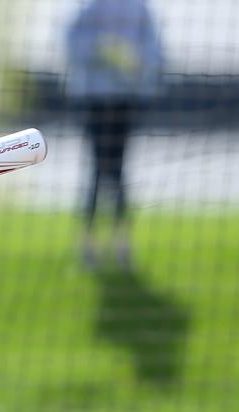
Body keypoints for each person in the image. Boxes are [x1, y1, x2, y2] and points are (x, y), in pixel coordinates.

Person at [65, 0, 164, 271]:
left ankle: (122, 243)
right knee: (97, 170)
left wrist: (135, 62)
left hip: (125, 100)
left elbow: (155, 51)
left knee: (118, 171)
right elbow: (72, 43)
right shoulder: (90, 7)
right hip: (94, 100)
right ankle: (88, 242)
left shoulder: (139, 8)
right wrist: (102, 50)